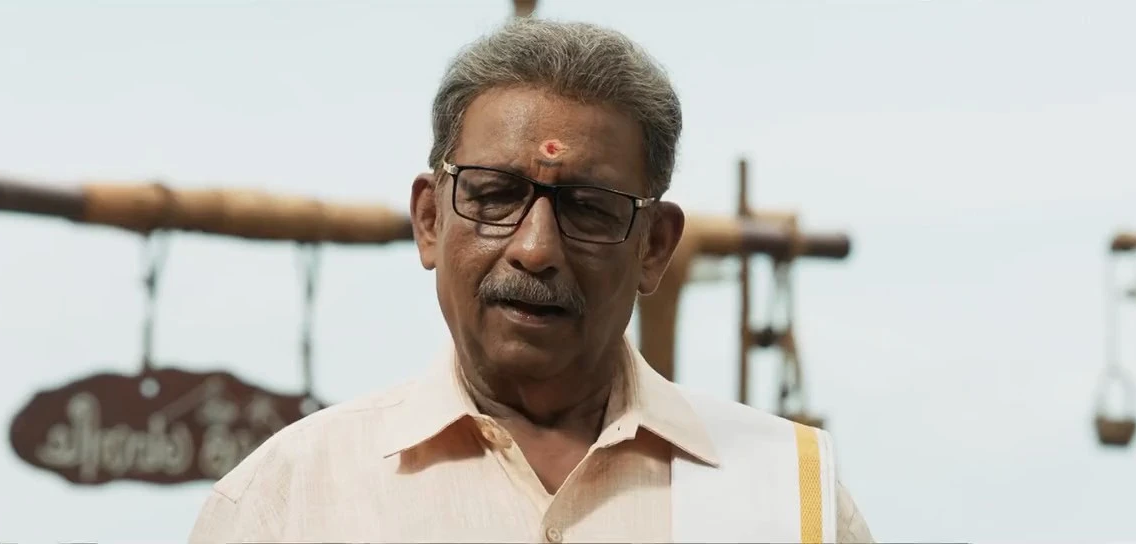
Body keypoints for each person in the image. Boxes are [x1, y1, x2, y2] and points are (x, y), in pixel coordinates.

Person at [189, 18, 874, 544]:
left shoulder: (786, 497)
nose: (536, 249)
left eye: (589, 208)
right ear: (430, 221)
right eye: (494, 196)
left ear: (654, 247)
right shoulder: (289, 501)